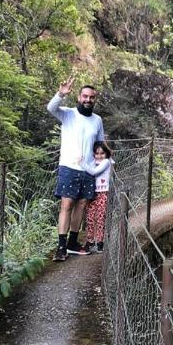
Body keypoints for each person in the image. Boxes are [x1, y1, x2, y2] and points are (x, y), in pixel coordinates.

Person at [47, 75, 105, 261]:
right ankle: (61, 246)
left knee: (81, 204)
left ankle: (73, 243)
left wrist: (105, 165)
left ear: (94, 99)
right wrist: (60, 94)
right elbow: (51, 108)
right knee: (67, 204)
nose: (88, 100)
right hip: (69, 167)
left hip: (88, 168)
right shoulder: (68, 113)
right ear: (79, 97)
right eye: (85, 96)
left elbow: (100, 145)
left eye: (91, 97)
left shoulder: (97, 120)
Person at [82, 141, 113, 253]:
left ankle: (100, 242)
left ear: (106, 154)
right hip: (92, 193)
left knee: (100, 217)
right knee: (90, 217)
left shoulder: (106, 162)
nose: (99, 156)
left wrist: (82, 162)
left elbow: (94, 172)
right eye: (97, 153)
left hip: (103, 193)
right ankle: (90, 241)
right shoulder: (93, 161)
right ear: (93, 154)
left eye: (102, 153)